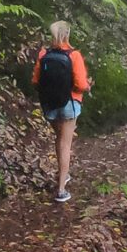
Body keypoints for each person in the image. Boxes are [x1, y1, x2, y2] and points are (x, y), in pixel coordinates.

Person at [33, 20, 89, 204]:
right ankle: (61, 190)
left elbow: (35, 81)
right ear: (67, 35)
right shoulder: (74, 56)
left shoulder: (43, 54)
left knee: (60, 139)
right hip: (69, 105)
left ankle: (62, 174)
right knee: (65, 144)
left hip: (49, 105)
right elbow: (80, 85)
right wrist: (87, 85)